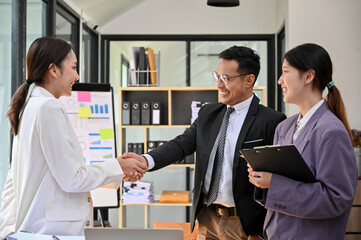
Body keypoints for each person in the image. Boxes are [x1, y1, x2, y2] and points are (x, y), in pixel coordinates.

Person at [122, 46, 286, 240]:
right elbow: (181, 145)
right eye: (216, 76)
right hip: (208, 218)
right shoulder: (208, 113)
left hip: (245, 224)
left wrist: (261, 229)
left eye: (226, 78)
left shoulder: (272, 121)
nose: (218, 84)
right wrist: (144, 160)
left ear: (249, 80)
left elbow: (278, 178)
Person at [0, 37, 147, 239]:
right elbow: (72, 179)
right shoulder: (48, 108)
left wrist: (7, 229)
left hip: (36, 231)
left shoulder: (29, 106)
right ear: (54, 70)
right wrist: (118, 166)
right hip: (53, 232)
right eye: (73, 67)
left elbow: (15, 175)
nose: (77, 76)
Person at [248, 43, 357, 239]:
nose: (280, 80)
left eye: (285, 71)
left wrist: (274, 184)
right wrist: (261, 176)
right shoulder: (285, 127)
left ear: (308, 76)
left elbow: (335, 199)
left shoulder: (331, 131)